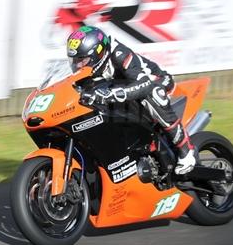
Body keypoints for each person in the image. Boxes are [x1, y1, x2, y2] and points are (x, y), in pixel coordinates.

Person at [66, 25, 196, 174]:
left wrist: (110, 94)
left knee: (153, 94)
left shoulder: (119, 53)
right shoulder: (87, 70)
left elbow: (144, 84)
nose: (78, 65)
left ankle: (185, 150)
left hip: (156, 81)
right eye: (74, 61)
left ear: (98, 54)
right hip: (125, 92)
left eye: (82, 60)